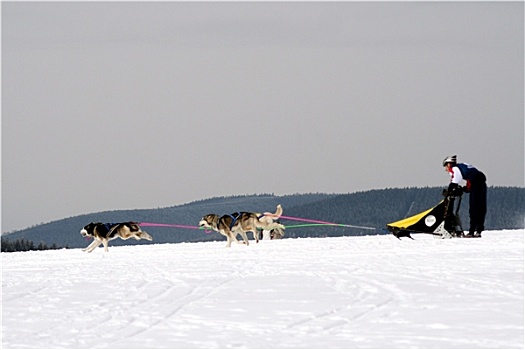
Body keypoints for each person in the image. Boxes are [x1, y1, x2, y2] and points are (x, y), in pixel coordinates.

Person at [442, 155, 487, 237]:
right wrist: (466, 188)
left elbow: (456, 180)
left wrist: (449, 190)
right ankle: (479, 230)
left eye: (445, 167)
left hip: (476, 181)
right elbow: (471, 177)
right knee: (481, 207)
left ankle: (472, 231)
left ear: (448, 164)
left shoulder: (454, 168)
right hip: (481, 180)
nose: (446, 169)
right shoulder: (463, 165)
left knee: (473, 208)